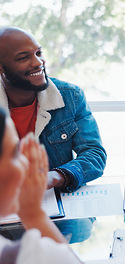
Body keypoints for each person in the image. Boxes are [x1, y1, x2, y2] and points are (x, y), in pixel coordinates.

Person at [0, 27, 106, 192]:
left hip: (55, 202)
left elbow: (94, 154)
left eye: (39, 53)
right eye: (23, 58)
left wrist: (54, 177)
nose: (38, 62)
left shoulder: (71, 96)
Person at [0, 107, 81, 263]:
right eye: (14, 153)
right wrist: (33, 214)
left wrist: (55, 176)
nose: (25, 162)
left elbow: (94, 153)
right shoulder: (33, 256)